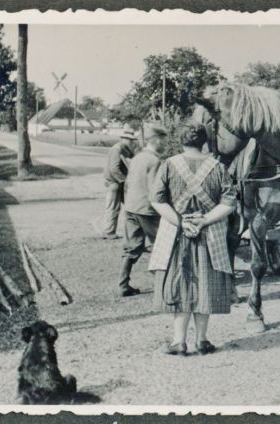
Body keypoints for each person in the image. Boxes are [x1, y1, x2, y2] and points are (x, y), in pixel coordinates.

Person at [148, 121, 236, 356]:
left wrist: (181, 222)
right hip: (209, 235)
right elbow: (230, 203)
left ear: (181, 141)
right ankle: (202, 340)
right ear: (205, 142)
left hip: (177, 235)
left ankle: (178, 341)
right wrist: (204, 220)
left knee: (180, 285)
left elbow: (157, 200)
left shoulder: (168, 165)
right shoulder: (218, 167)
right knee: (205, 285)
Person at [117, 124, 167, 297]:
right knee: (161, 245)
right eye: (163, 140)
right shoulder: (155, 161)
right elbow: (156, 190)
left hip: (131, 207)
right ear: (156, 140)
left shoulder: (138, 157)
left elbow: (128, 183)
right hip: (147, 210)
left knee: (131, 247)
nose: (165, 144)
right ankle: (162, 285)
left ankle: (123, 284)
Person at [100, 130, 137, 239]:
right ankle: (108, 232)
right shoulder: (117, 149)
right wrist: (124, 181)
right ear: (124, 139)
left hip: (120, 182)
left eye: (132, 140)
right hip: (114, 182)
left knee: (131, 206)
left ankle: (129, 232)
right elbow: (114, 169)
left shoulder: (126, 150)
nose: (132, 142)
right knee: (113, 207)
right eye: (130, 140)